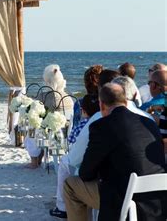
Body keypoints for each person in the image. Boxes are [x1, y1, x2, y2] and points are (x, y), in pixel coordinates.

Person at [63, 83, 166, 221]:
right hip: (157, 203)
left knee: (70, 185)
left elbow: (85, 173)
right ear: (125, 101)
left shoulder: (101, 126)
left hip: (124, 202)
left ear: (101, 105)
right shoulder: (149, 123)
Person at [49, 69, 119, 219]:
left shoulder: (98, 122)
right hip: (148, 196)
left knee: (70, 180)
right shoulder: (146, 119)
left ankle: (63, 208)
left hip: (112, 193)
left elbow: (78, 161)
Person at [26, 64, 74, 169]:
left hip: (51, 133)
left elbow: (34, 111)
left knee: (32, 128)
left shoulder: (45, 96)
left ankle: (35, 161)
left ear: (47, 81)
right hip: (66, 133)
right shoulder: (68, 97)